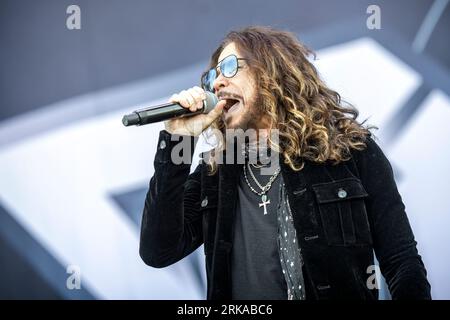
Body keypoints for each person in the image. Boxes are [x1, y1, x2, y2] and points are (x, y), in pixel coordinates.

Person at [139, 26, 431, 300]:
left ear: (271, 72)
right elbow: (158, 251)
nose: (217, 83)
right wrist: (178, 139)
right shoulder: (214, 173)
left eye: (229, 68)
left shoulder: (350, 151)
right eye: (212, 76)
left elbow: (401, 261)